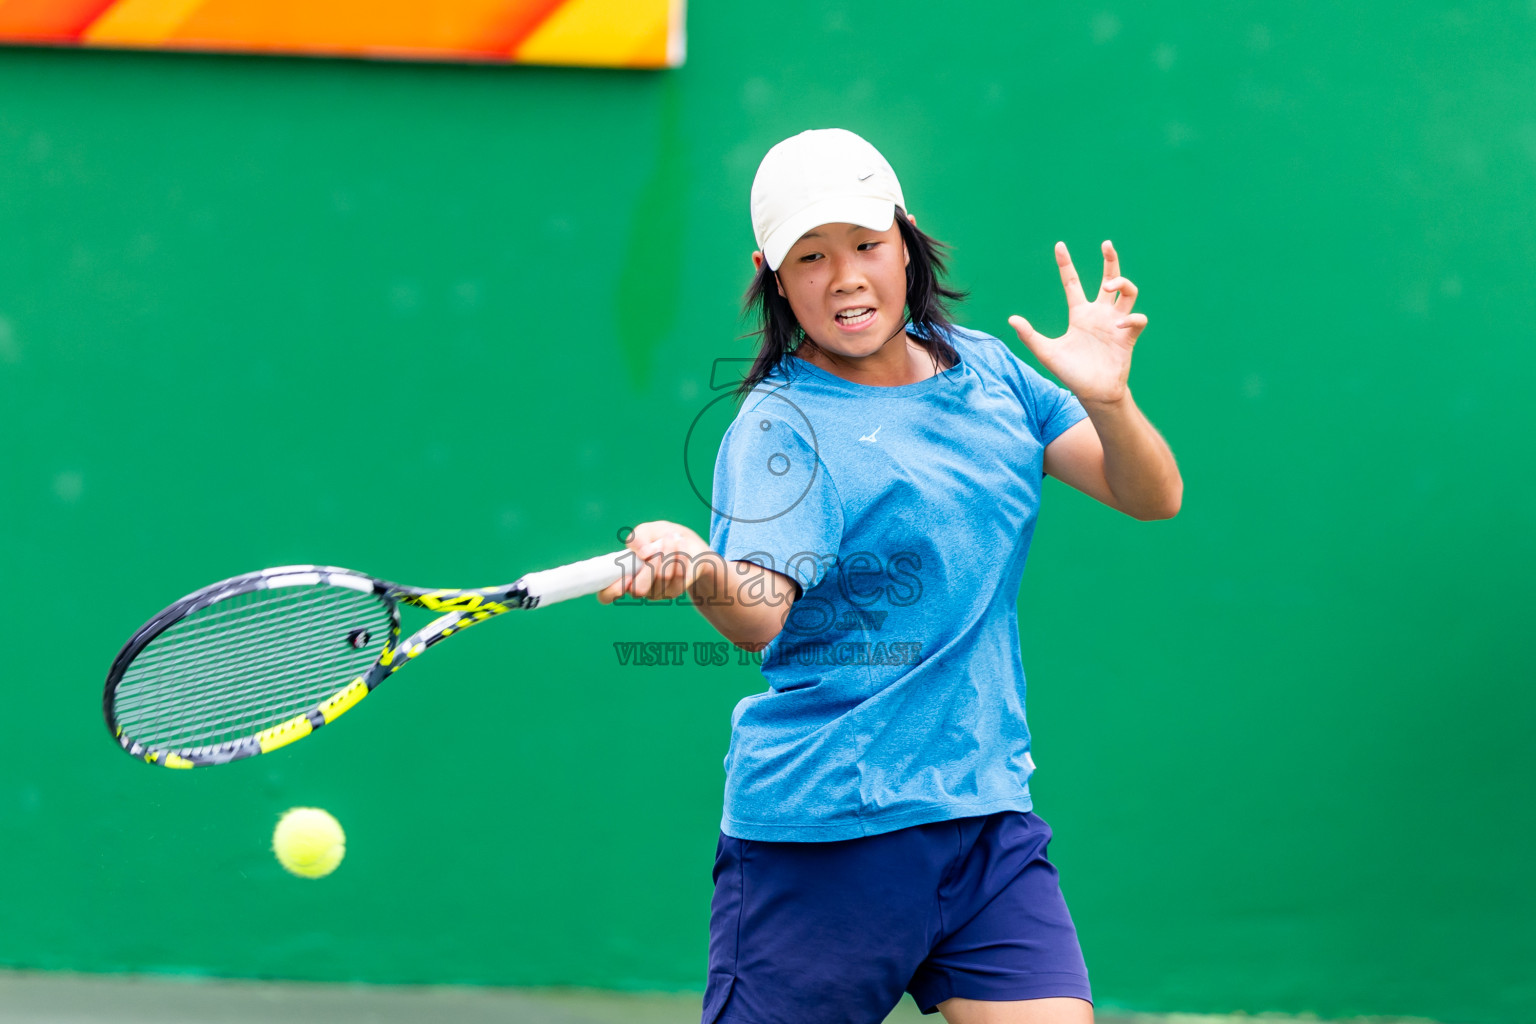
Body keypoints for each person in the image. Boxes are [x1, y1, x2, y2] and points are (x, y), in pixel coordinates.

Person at [596, 128, 1182, 1024]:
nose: (845, 277)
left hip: (984, 819)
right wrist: (703, 568)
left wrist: (1109, 400)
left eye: (866, 245)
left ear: (905, 241)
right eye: (811, 256)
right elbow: (760, 614)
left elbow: (1150, 495)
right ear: (774, 275)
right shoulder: (780, 424)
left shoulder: (989, 369)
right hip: (826, 833)